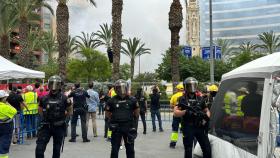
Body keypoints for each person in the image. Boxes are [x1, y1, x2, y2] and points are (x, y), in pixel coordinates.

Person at [174, 77, 211, 158]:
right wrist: (185, 112)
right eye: (190, 85)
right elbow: (176, 113)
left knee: (207, 148)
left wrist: (206, 118)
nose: (192, 88)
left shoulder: (200, 99)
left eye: (194, 85)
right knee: (188, 149)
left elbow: (207, 110)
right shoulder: (181, 99)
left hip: (200, 126)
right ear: (185, 87)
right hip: (188, 126)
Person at [35, 76, 71, 158]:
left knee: (56, 150)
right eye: (51, 84)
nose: (53, 86)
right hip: (46, 126)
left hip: (59, 126)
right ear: (49, 85)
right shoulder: (44, 98)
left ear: (60, 85)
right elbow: (40, 110)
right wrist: (45, 118)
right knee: (39, 149)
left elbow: (70, 109)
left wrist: (65, 119)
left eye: (56, 84)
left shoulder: (64, 98)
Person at [105, 79, 139, 158]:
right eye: (119, 88)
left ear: (126, 88)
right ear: (116, 89)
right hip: (116, 128)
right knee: (114, 149)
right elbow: (107, 114)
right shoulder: (111, 100)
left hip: (129, 128)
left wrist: (132, 123)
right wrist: (114, 120)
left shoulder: (133, 100)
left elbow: (136, 113)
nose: (121, 90)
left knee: (130, 149)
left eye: (123, 87)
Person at [0, 90, 17, 158]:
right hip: (6, 127)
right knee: (4, 145)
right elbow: (15, 111)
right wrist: (8, 104)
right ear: (3, 98)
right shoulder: (6, 107)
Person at [169, 83, 184, 148]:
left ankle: (173, 143)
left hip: (176, 115)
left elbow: (171, 105)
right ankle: (185, 142)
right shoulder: (185, 96)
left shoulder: (174, 96)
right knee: (185, 129)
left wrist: (175, 107)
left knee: (175, 130)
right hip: (184, 115)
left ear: (178, 89)